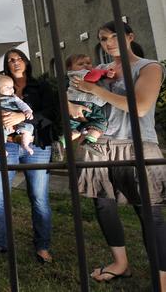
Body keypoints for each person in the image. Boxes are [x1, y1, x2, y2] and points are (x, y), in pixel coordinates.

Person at [71, 21, 166, 286]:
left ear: (130, 37)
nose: (109, 42)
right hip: (101, 143)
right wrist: (73, 105)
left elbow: (141, 107)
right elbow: (78, 97)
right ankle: (120, 263)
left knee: (149, 211)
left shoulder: (148, 67)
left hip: (137, 143)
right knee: (103, 203)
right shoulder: (100, 70)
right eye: (103, 39)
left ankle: (162, 280)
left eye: (115, 36)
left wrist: (96, 89)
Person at [0, 48, 57, 264]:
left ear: (26, 61)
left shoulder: (40, 86)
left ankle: (42, 247)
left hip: (36, 146)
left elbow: (50, 112)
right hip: (6, 146)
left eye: (19, 58)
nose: (15, 62)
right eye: (11, 60)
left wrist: (21, 115)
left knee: (39, 198)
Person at [65, 53, 114, 145]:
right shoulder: (79, 74)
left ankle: (62, 142)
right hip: (86, 102)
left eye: (88, 63)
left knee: (76, 126)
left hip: (75, 102)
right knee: (100, 121)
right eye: (80, 64)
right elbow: (94, 76)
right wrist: (104, 72)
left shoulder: (72, 75)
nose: (85, 66)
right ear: (69, 68)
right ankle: (90, 139)